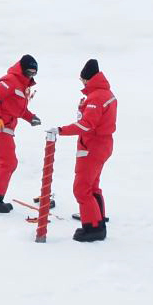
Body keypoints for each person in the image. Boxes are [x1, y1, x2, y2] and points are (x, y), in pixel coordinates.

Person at [49, 58, 116, 242]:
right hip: (103, 144)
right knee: (93, 186)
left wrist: (61, 130)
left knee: (81, 189)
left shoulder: (96, 97)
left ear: (88, 78)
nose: (82, 83)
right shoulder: (105, 93)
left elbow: (87, 125)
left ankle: (93, 228)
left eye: (82, 79)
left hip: (93, 147)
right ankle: (98, 221)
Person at [0, 54, 40, 213]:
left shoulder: (22, 86)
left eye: (34, 73)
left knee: (1, 161)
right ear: (22, 69)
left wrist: (30, 117)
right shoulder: (11, 81)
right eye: (28, 71)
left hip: (5, 126)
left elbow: (16, 108)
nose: (31, 75)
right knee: (9, 162)